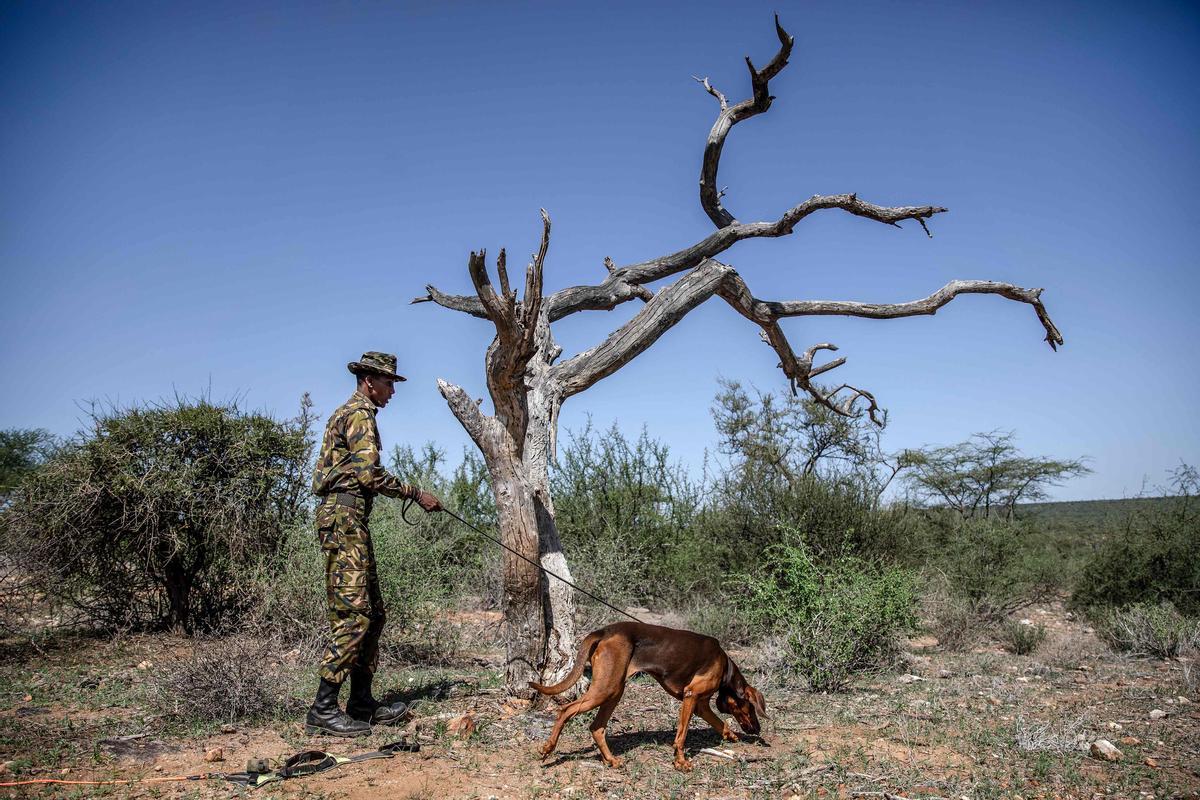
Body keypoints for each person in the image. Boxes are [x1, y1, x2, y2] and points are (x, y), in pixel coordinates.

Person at [305, 351, 443, 737]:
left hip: (350, 520)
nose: (392, 391)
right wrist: (416, 493)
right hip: (343, 519)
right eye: (388, 384)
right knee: (355, 615)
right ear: (369, 382)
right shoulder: (359, 414)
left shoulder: (355, 413)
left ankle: (361, 703)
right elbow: (368, 475)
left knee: (374, 613)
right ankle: (323, 707)